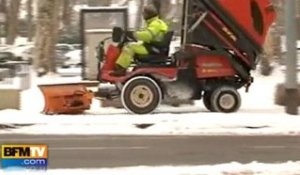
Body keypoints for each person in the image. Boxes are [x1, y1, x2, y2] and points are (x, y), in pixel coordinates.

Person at [111, 5, 169, 76]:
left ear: (148, 14)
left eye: (144, 13)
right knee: (131, 45)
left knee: (130, 47)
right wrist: (135, 34)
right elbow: (146, 34)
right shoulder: (154, 23)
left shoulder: (155, 24)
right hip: (152, 47)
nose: (143, 15)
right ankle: (121, 67)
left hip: (153, 49)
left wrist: (134, 34)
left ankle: (121, 69)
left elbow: (148, 36)